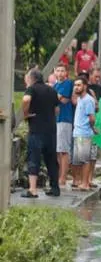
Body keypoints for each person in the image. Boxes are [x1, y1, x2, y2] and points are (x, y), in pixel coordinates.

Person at [21, 68, 61, 198]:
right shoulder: (52, 90)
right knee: (51, 160)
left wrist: (26, 114)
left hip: (36, 129)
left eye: (26, 79)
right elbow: (57, 109)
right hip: (51, 130)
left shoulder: (32, 89)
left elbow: (26, 100)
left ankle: (33, 189)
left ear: (31, 78)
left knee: (34, 158)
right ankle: (55, 188)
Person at [72, 80, 99, 192]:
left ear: (85, 86)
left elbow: (92, 118)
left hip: (84, 133)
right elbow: (73, 100)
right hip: (78, 132)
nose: (76, 87)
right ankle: (81, 182)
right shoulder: (80, 99)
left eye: (79, 85)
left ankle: (85, 183)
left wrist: (92, 128)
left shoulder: (88, 100)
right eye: (75, 85)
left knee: (85, 160)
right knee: (78, 160)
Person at [52, 63, 76, 189]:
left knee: (64, 150)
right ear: (54, 72)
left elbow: (64, 99)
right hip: (56, 120)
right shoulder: (55, 85)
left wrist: (53, 93)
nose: (60, 73)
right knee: (57, 150)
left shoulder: (67, 84)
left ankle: (63, 177)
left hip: (64, 120)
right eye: (58, 70)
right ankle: (58, 176)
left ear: (66, 72)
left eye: (62, 70)